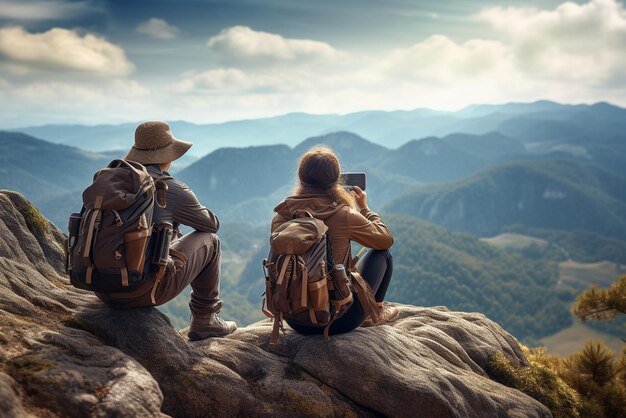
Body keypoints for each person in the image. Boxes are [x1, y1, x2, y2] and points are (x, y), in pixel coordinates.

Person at [95, 121, 237, 340]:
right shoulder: (168, 188)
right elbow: (210, 225)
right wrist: (184, 201)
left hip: (101, 288)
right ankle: (205, 319)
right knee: (211, 241)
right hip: (141, 291)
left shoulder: (112, 183)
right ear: (167, 156)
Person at [271, 146, 396, 335]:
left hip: (293, 319)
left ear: (301, 177)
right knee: (382, 254)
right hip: (339, 319)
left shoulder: (282, 214)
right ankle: (375, 311)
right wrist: (364, 208)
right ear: (336, 180)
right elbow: (385, 240)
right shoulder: (343, 214)